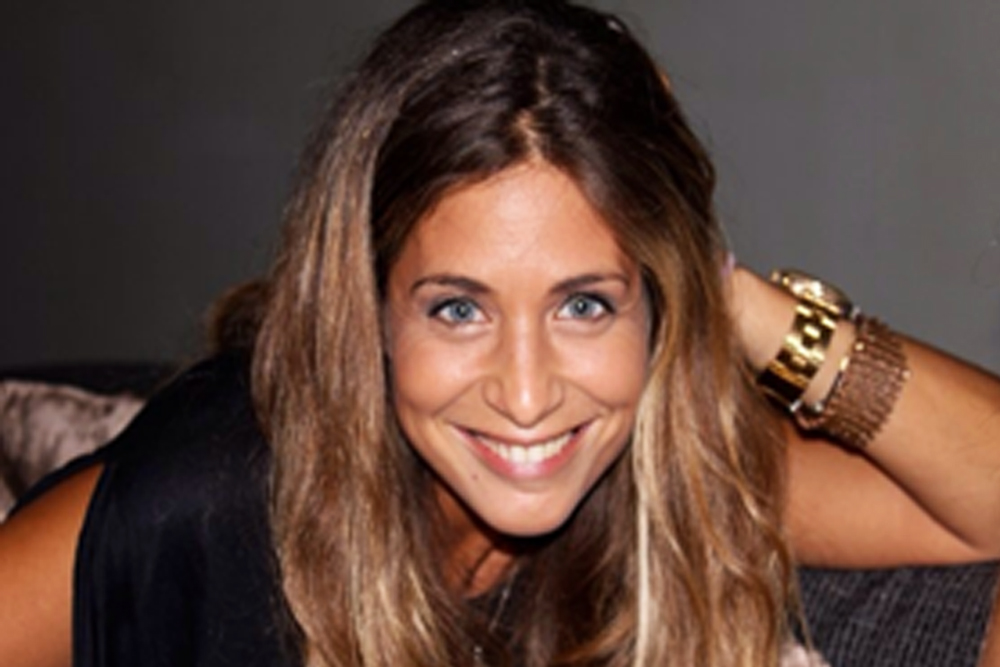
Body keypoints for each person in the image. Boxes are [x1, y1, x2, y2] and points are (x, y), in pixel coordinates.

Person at [2, 1, 1000, 665]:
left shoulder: (656, 456)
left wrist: (729, 296)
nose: (527, 396)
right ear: (366, 309)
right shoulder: (202, 499)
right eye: (458, 309)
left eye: (584, 304)